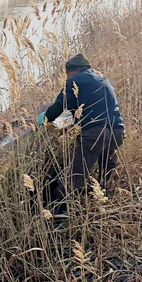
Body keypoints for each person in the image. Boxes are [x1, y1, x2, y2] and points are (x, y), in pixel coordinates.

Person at [38, 53, 125, 215]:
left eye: (66, 73)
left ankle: (60, 213)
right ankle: (104, 200)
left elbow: (59, 106)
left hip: (94, 133)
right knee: (106, 167)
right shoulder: (102, 78)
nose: (66, 77)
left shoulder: (74, 81)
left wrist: (45, 118)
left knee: (75, 175)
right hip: (117, 130)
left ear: (71, 71)